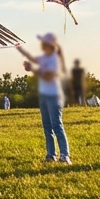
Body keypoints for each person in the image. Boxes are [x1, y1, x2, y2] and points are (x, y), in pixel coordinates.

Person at [18, 33, 70, 163]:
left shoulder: (54, 59)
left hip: (53, 96)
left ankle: (65, 155)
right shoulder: (44, 57)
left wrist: (33, 69)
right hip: (44, 96)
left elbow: (48, 76)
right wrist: (19, 48)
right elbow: (32, 58)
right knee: (47, 127)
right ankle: (51, 155)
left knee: (56, 125)